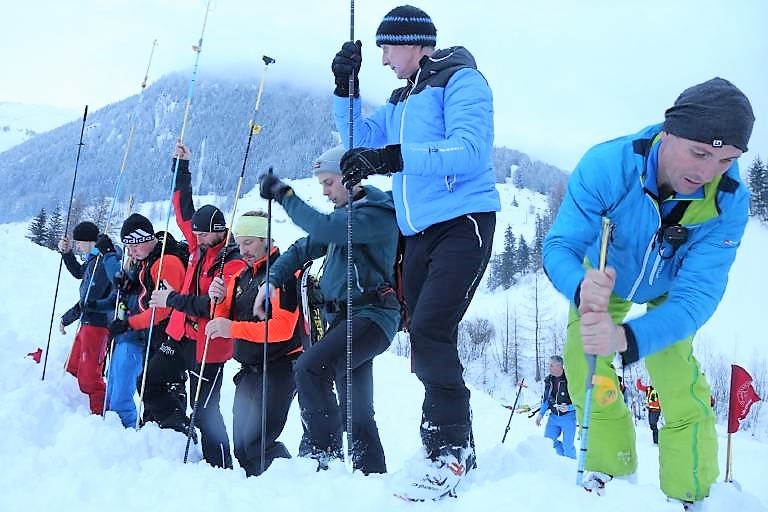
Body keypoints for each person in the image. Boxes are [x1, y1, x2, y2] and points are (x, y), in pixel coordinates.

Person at [542, 77, 754, 506]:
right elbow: (559, 246)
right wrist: (580, 287)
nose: (708, 172)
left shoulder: (729, 201)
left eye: (726, 160)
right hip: (604, 277)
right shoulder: (607, 165)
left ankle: (691, 491)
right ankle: (610, 469)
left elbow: (696, 297)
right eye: (700, 153)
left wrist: (630, 339)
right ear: (668, 131)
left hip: (671, 288)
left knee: (674, 375)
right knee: (585, 362)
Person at [331, 5, 500, 498]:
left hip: (463, 221)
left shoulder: (461, 80)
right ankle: (449, 445)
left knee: (430, 329)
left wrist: (393, 158)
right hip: (418, 233)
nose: (383, 59)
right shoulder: (403, 99)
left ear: (412, 41)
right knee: (424, 334)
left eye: (387, 48)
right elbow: (359, 140)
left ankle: (450, 451)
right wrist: (345, 89)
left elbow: (470, 149)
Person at [257, 144, 400, 475]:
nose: (325, 191)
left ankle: (322, 455)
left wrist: (284, 194)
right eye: (321, 184)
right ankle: (371, 476)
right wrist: (272, 280)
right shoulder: (347, 217)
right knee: (356, 409)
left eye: (329, 182)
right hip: (346, 319)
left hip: (371, 316)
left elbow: (323, 229)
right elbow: (304, 247)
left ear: (350, 179)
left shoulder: (374, 216)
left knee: (309, 368)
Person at [147, 142, 246, 469]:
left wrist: (171, 299)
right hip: (180, 337)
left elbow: (209, 307)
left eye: (202, 235)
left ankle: (221, 466)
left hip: (209, 348)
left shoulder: (232, 263)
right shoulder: (198, 245)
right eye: (196, 235)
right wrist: (181, 168)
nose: (196, 239)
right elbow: (183, 210)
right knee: (150, 379)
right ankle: (176, 426)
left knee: (205, 411)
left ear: (218, 233)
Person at [205, 211, 304, 477]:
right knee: (242, 447)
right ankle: (258, 491)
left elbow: (282, 329)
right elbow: (222, 319)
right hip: (249, 371)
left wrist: (232, 328)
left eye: (249, 242)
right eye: (239, 243)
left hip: (278, 367)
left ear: (266, 239)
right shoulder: (242, 277)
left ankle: (293, 485)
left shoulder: (283, 274)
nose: (243, 250)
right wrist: (218, 300)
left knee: (258, 444)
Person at [108, 214, 187, 432]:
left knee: (162, 383)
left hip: (173, 334)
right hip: (157, 333)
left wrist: (129, 324)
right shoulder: (149, 260)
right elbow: (147, 292)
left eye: (134, 247)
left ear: (146, 239)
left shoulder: (166, 262)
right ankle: (154, 427)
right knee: (149, 384)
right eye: (128, 248)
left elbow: (162, 310)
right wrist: (129, 285)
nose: (131, 253)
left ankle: (175, 431)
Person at [58, 221, 120, 415]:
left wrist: (67, 318)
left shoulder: (101, 264)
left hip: (98, 325)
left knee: (89, 378)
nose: (77, 246)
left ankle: (99, 415)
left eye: (78, 242)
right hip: (87, 323)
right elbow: (79, 273)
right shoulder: (93, 258)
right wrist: (67, 253)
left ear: (88, 241)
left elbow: (88, 301)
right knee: (73, 366)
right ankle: (72, 407)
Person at [535, 356, 576, 459]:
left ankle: (571, 465)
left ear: (559, 366)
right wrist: (540, 414)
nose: (549, 367)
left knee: (568, 448)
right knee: (548, 443)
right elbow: (546, 400)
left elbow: (581, 401)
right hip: (553, 418)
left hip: (568, 418)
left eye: (551, 365)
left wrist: (569, 408)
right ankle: (562, 461)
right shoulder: (549, 380)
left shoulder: (571, 379)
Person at [636, 378, 661, 444]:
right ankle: (657, 440)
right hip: (650, 410)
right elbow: (640, 387)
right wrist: (638, 380)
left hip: (656, 410)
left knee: (653, 424)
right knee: (652, 425)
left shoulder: (659, 389)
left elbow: (657, 401)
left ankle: (656, 441)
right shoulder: (648, 389)